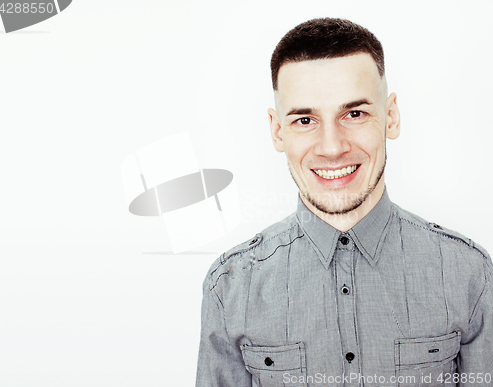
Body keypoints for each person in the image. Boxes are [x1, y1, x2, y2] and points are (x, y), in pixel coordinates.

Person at [195, 18, 492, 387]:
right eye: (305, 119)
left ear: (391, 117)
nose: (332, 147)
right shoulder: (230, 286)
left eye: (354, 114)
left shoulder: (469, 273)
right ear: (277, 131)